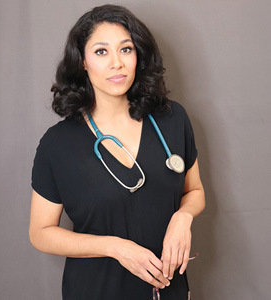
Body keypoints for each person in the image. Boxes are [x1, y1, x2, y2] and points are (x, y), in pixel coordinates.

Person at [29, 4, 205, 300]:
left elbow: (195, 190)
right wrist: (114, 247)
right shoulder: (57, 144)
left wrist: (183, 218)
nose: (117, 63)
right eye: (101, 52)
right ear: (82, 61)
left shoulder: (172, 119)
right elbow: (41, 232)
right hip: (97, 290)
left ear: (139, 55)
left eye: (126, 49)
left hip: (169, 289)